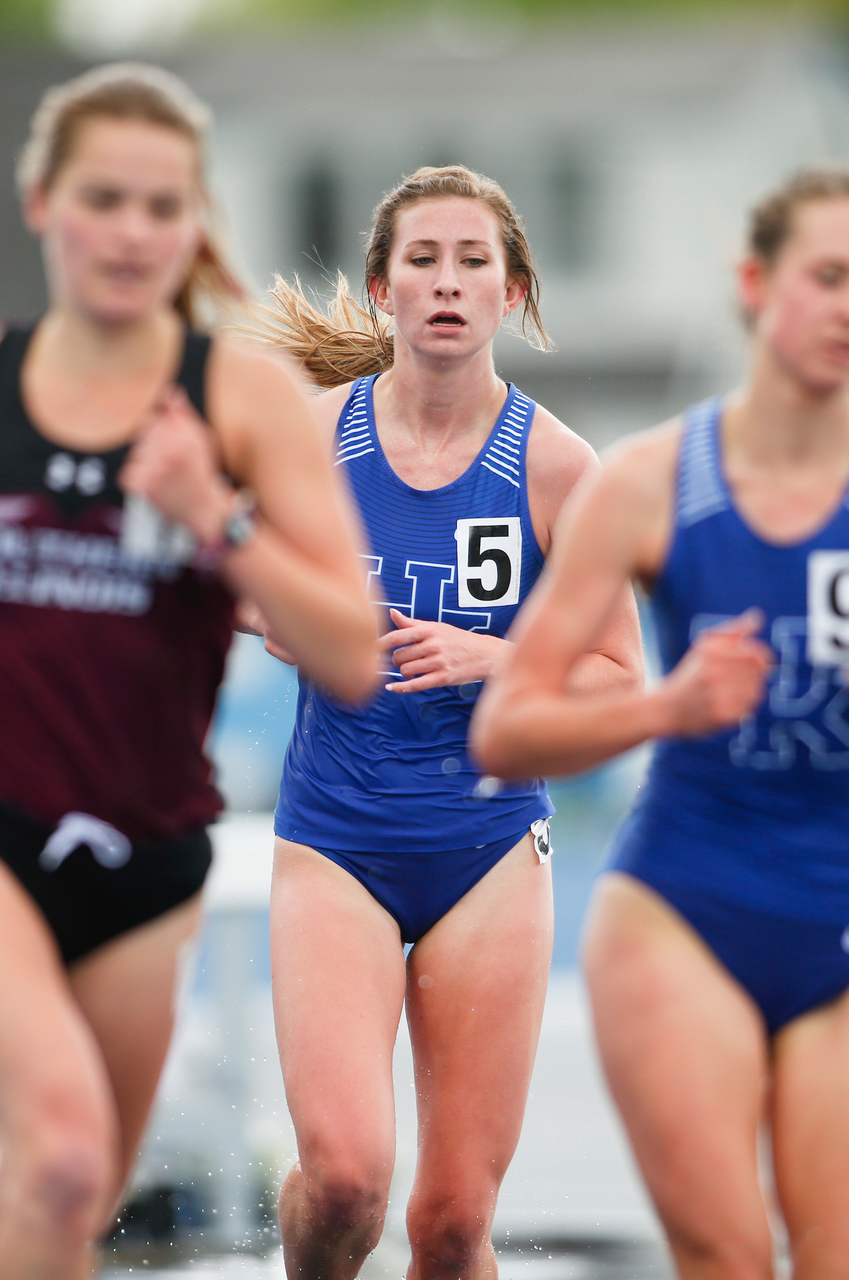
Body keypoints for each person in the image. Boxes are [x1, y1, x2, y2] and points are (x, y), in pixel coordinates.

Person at [0, 62, 375, 1279]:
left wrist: (214, 516)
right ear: (40, 201)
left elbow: (350, 650)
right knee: (54, 1160)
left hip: (147, 862)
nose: (132, 232)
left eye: (164, 207)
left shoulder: (242, 400)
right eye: (103, 198)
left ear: (196, 220)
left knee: (68, 1203)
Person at [255, 165, 643, 1280]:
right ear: (382, 286)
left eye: (474, 261)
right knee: (343, 1184)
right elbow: (229, 588)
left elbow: (624, 678)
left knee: (451, 1223)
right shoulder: (314, 437)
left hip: (486, 851)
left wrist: (499, 654)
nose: (446, 282)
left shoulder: (563, 468)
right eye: (422, 259)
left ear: (513, 291)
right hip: (333, 839)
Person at [472, 169, 849, 1279]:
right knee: (726, 1256)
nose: (847, 307)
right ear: (755, 283)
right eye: (827, 276)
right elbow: (507, 727)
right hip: (686, 910)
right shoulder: (648, 481)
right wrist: (666, 706)